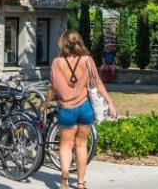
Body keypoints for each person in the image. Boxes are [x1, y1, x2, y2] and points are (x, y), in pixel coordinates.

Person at [44, 30, 117, 189]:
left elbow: (52, 88)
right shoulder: (87, 60)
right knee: (81, 145)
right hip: (84, 108)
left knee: (65, 145)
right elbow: (98, 83)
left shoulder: (57, 62)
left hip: (66, 109)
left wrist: (43, 105)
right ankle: (81, 183)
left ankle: (64, 179)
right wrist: (110, 103)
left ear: (64, 44)